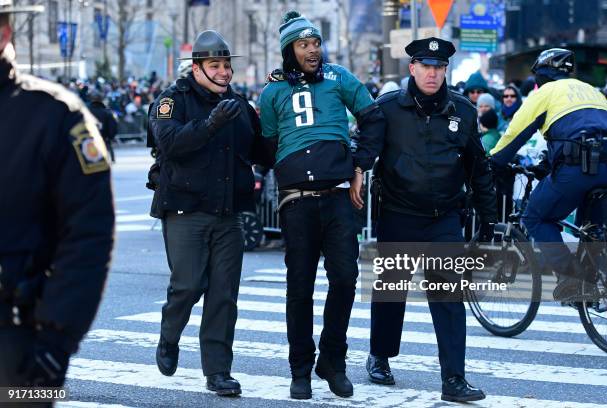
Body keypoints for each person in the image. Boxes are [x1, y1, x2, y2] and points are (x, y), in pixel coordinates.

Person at [259, 11, 385, 400]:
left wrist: (361, 163)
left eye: (315, 43)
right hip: (296, 203)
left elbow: (373, 118)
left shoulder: (339, 77)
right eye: (303, 45)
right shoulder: (272, 92)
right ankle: (300, 368)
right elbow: (265, 148)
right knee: (299, 288)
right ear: (289, 51)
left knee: (345, 280)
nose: (312, 50)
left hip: (338, 198)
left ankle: (332, 359)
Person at [366, 37, 495, 403]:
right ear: (412, 68)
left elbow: (478, 169)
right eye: (426, 66)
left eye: (439, 67)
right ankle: (381, 356)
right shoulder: (387, 108)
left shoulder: (463, 112)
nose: (433, 73)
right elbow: (365, 154)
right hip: (399, 215)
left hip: (444, 219)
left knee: (449, 299)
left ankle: (453, 379)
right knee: (391, 293)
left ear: (446, 71)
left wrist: (488, 220)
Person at [0, 1, 115, 401]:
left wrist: (57, 340)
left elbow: (89, 234)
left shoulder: (55, 116)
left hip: (17, 342)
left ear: (3, 33)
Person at [149, 30, 273, 397]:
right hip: (186, 208)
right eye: (215, 65)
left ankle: (218, 371)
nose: (223, 72)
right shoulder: (172, 100)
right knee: (187, 286)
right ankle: (169, 338)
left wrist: (269, 125)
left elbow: (262, 156)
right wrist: (211, 124)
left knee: (223, 294)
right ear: (197, 68)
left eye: (226, 65)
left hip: (228, 213)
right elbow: (169, 144)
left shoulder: (238, 104)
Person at [490, 48, 607, 301]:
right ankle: (594, 279)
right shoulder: (592, 91)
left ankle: (571, 279)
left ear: (542, 75)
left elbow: (515, 134)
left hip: (579, 169)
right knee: (590, 229)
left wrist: (493, 162)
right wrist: (548, 162)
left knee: (535, 217)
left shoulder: (546, 92)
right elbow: (582, 130)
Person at [88, 90, 118, 163]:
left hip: (89, 139)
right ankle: (111, 159)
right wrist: (111, 136)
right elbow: (113, 126)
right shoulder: (107, 112)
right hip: (104, 138)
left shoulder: (86, 111)